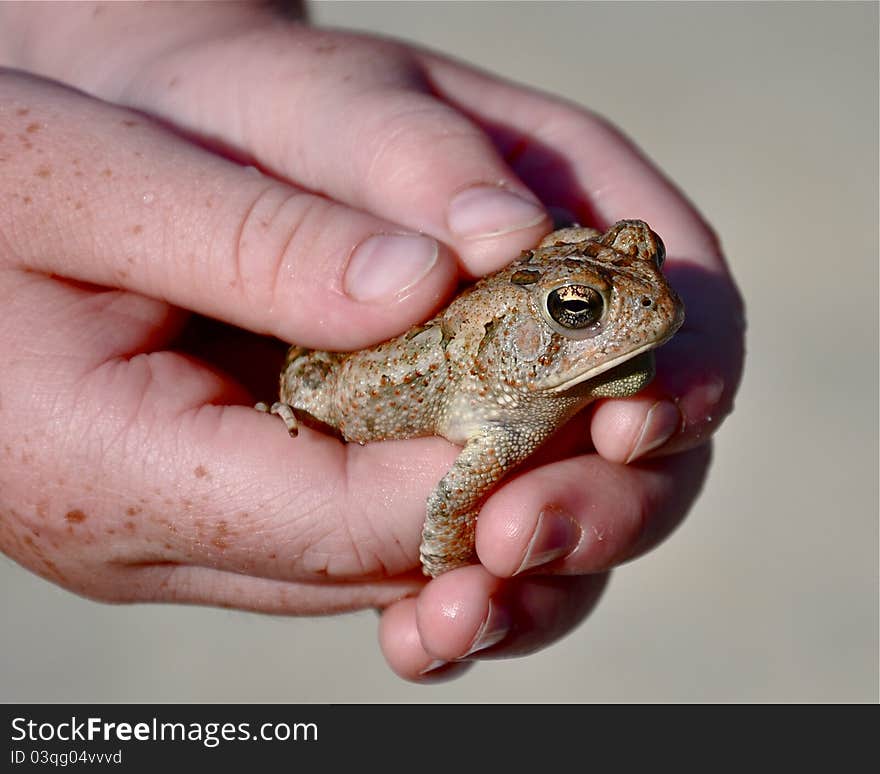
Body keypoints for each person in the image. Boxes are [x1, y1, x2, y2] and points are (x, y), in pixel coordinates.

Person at [0, 2, 743, 682]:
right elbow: (452, 502)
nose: (655, 295)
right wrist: (445, 565)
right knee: (324, 396)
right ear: (539, 327)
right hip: (358, 376)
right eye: (580, 307)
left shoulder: (563, 329)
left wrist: (184, 35)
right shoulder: (498, 407)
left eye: (642, 252)